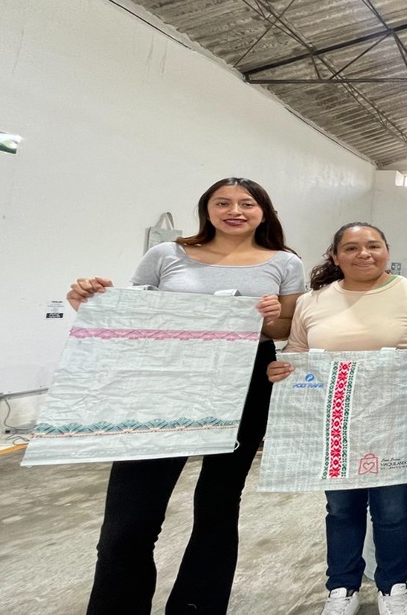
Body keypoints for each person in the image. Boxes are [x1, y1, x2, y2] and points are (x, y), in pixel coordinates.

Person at [67, 177, 306, 615]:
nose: (235, 210)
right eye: (223, 202)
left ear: (263, 211)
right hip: (166, 381)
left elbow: (286, 329)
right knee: (130, 516)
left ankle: (198, 606)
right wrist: (90, 301)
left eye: (247, 203)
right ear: (207, 209)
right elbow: (135, 312)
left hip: (244, 379)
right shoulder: (167, 254)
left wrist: (269, 318)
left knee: (218, 504)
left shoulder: (285, 262)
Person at [267, 222, 407, 615]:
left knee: (393, 508)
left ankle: (393, 586)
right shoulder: (314, 302)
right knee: (341, 508)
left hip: (394, 422)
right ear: (335, 256)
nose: (363, 254)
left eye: (373, 245)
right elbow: (297, 354)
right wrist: (279, 370)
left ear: (386, 249)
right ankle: (342, 588)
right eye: (351, 248)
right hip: (334, 423)